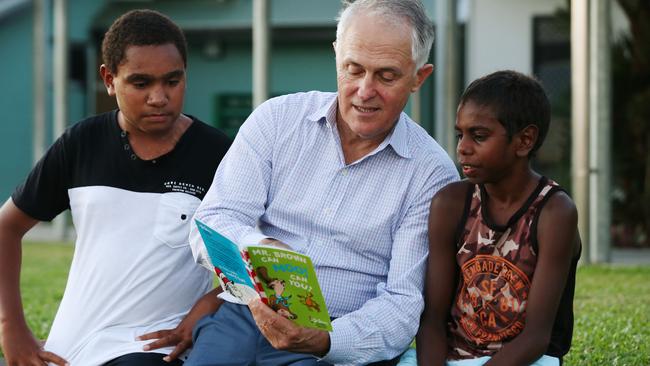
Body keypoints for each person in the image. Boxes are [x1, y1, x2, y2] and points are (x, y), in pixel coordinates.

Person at [185, 0, 459, 365]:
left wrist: (325, 341)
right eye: (354, 69)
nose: (365, 90)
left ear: (418, 78)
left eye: (387, 75)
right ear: (336, 56)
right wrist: (260, 247)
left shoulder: (432, 174)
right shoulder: (276, 121)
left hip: (336, 341)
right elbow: (212, 223)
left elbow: (403, 304)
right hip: (245, 316)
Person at [0, 9, 231, 366]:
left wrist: (212, 301)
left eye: (173, 81)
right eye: (141, 83)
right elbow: (7, 226)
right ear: (109, 79)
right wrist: (11, 328)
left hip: (153, 348)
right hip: (70, 348)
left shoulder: (220, 155)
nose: (159, 97)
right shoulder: (81, 142)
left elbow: (260, 256)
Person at [416, 70, 581, 366]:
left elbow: (536, 337)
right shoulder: (451, 203)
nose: (462, 147)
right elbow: (432, 321)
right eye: (460, 134)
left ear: (524, 140)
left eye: (479, 136)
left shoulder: (554, 212)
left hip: (528, 358)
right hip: (452, 354)